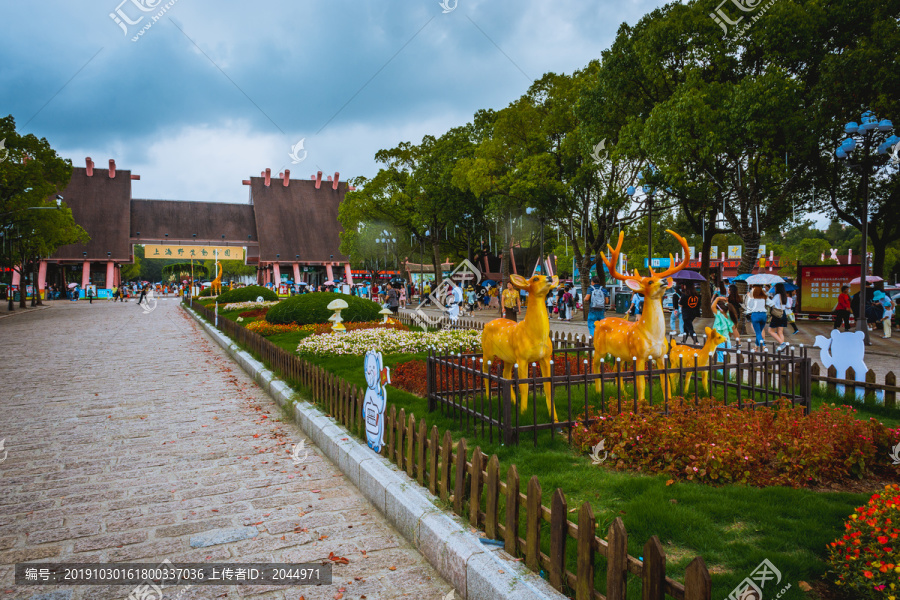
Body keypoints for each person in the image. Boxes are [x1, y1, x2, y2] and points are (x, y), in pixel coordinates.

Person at [745, 284, 769, 351]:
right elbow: (771, 303)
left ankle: (763, 345)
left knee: (758, 332)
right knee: (759, 332)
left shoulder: (752, 297)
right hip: (763, 315)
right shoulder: (764, 297)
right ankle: (756, 347)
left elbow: (749, 306)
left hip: (755, 315)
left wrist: (749, 296)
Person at [767, 282, 789, 352]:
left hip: (777, 314)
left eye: (775, 287)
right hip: (783, 313)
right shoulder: (785, 296)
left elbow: (771, 303)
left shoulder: (777, 296)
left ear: (778, 288)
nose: (775, 288)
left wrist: (769, 299)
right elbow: (788, 306)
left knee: (770, 331)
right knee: (780, 332)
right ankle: (782, 349)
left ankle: (782, 343)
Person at [712, 296, 735, 361]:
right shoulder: (729, 317)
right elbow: (731, 332)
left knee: (721, 362)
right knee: (724, 361)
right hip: (727, 341)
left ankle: (721, 371)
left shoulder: (719, 315)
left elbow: (712, 307)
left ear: (720, 309)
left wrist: (717, 298)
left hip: (720, 342)